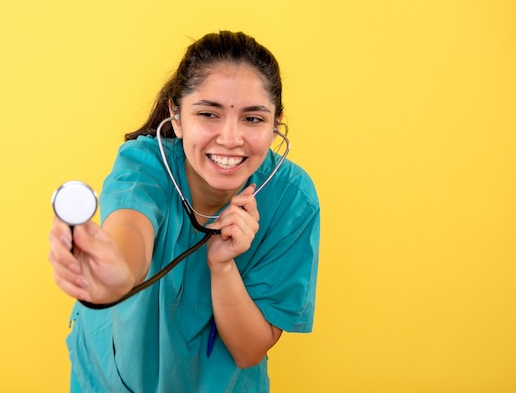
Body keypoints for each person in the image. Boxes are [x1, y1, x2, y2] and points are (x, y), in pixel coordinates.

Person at [48, 30, 320, 392]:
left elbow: (249, 351)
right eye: (209, 114)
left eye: (253, 119)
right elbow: (130, 231)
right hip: (112, 375)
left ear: (275, 125)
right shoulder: (144, 165)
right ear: (176, 116)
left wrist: (222, 266)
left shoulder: (293, 200)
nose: (230, 137)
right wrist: (119, 273)